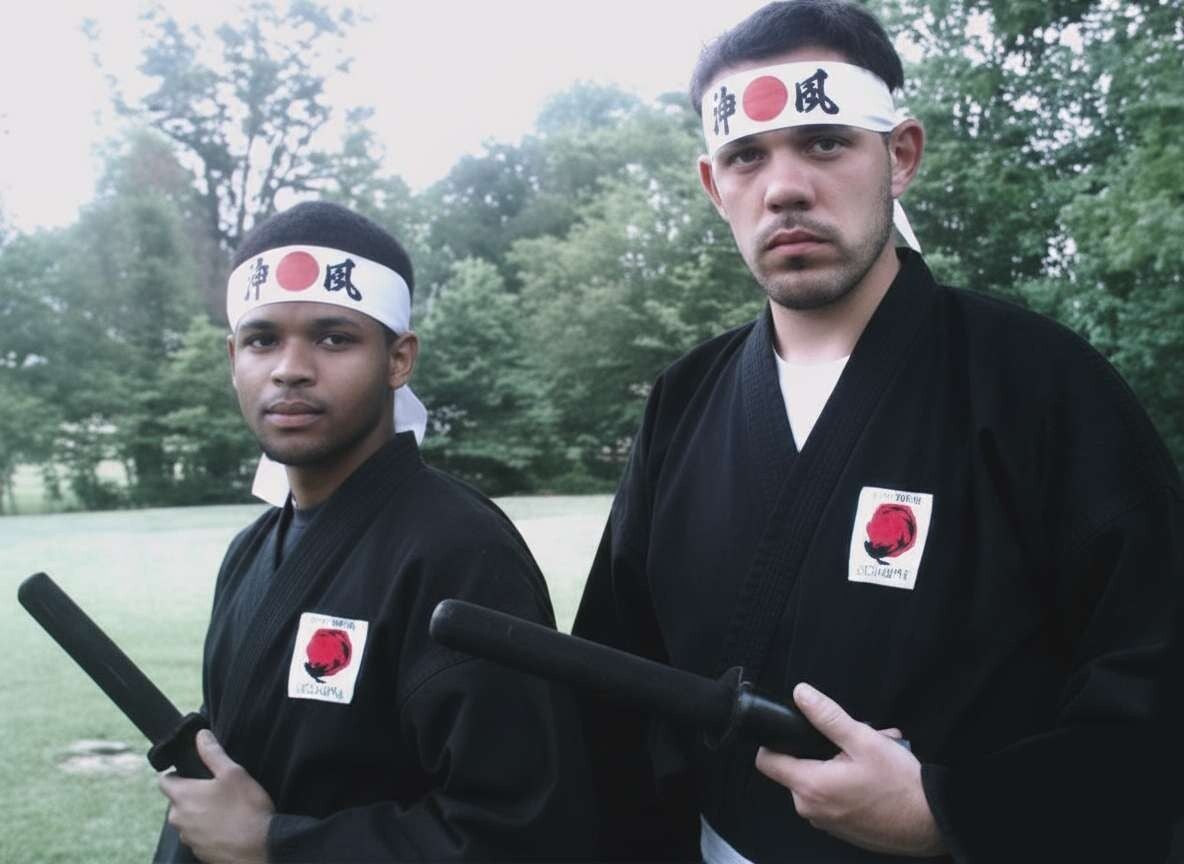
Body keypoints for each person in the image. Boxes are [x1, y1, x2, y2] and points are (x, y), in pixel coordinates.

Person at [572, 1, 1183, 861]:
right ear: (716, 187)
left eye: (824, 141)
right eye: (746, 155)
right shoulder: (683, 402)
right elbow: (614, 676)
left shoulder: (1040, 384)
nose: (784, 185)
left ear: (899, 156)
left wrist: (954, 810)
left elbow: (1155, 687)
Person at [154, 200, 593, 862]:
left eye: (334, 338)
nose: (290, 368)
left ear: (398, 358)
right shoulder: (248, 553)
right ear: (233, 357)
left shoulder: (459, 551)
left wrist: (277, 845)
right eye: (262, 339)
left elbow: (516, 828)